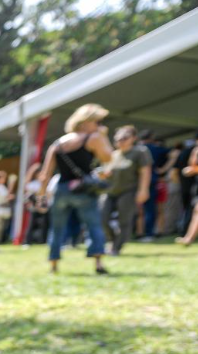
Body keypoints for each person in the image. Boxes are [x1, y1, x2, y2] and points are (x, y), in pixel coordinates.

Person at [39, 104, 113, 274]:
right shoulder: (93, 138)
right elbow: (108, 157)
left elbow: (45, 174)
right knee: (93, 225)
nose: (100, 125)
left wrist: (41, 196)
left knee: (57, 228)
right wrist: (103, 137)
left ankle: (54, 264)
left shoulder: (57, 143)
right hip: (83, 189)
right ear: (87, 122)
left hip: (61, 189)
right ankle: (98, 264)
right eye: (98, 122)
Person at [99, 125, 152, 256]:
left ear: (133, 138)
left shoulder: (140, 152)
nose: (120, 141)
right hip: (109, 190)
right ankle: (112, 240)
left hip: (129, 190)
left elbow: (145, 172)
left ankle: (116, 248)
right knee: (101, 217)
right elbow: (104, 171)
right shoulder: (113, 154)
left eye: (124, 138)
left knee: (124, 220)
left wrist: (143, 190)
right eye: (117, 139)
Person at [138, 130, 178, 239]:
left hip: (137, 181)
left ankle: (140, 233)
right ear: (151, 138)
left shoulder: (136, 149)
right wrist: (163, 169)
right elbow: (174, 154)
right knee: (150, 209)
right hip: (151, 180)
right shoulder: (154, 148)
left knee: (141, 210)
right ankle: (148, 233)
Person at [177, 122, 198, 246]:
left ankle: (189, 239)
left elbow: (196, 168)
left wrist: (195, 170)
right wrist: (192, 170)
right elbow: (192, 165)